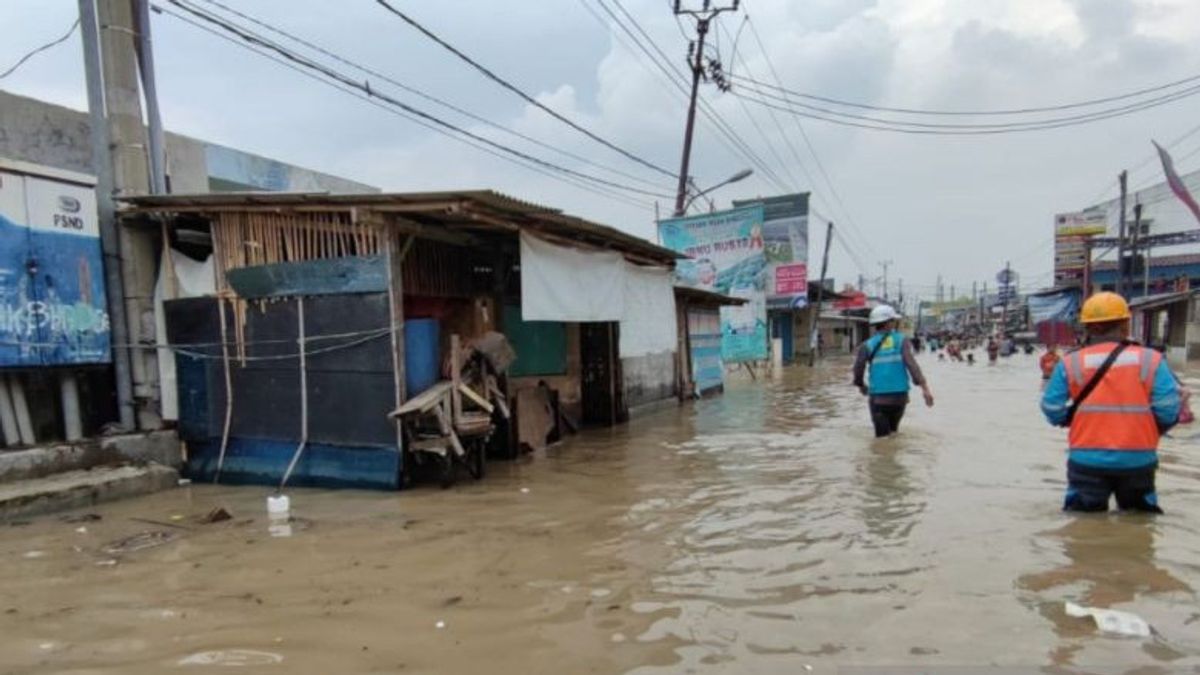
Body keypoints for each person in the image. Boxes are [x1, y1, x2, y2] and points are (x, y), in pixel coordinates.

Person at [1040, 292, 1181, 513]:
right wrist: (1148, 428)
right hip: (1138, 458)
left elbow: (1051, 408)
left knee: (1083, 525)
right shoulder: (1150, 359)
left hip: (1086, 458)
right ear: (1125, 325)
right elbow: (1168, 409)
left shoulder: (1071, 362)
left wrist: (1071, 420)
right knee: (1139, 523)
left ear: (1087, 327)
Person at [853, 305, 935, 438]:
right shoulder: (901, 340)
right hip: (900, 397)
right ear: (888, 323)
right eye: (893, 320)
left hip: (879, 397)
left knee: (881, 439)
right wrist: (925, 389)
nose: (894, 323)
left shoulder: (867, 345)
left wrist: (861, 385)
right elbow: (912, 365)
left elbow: (858, 370)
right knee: (893, 433)